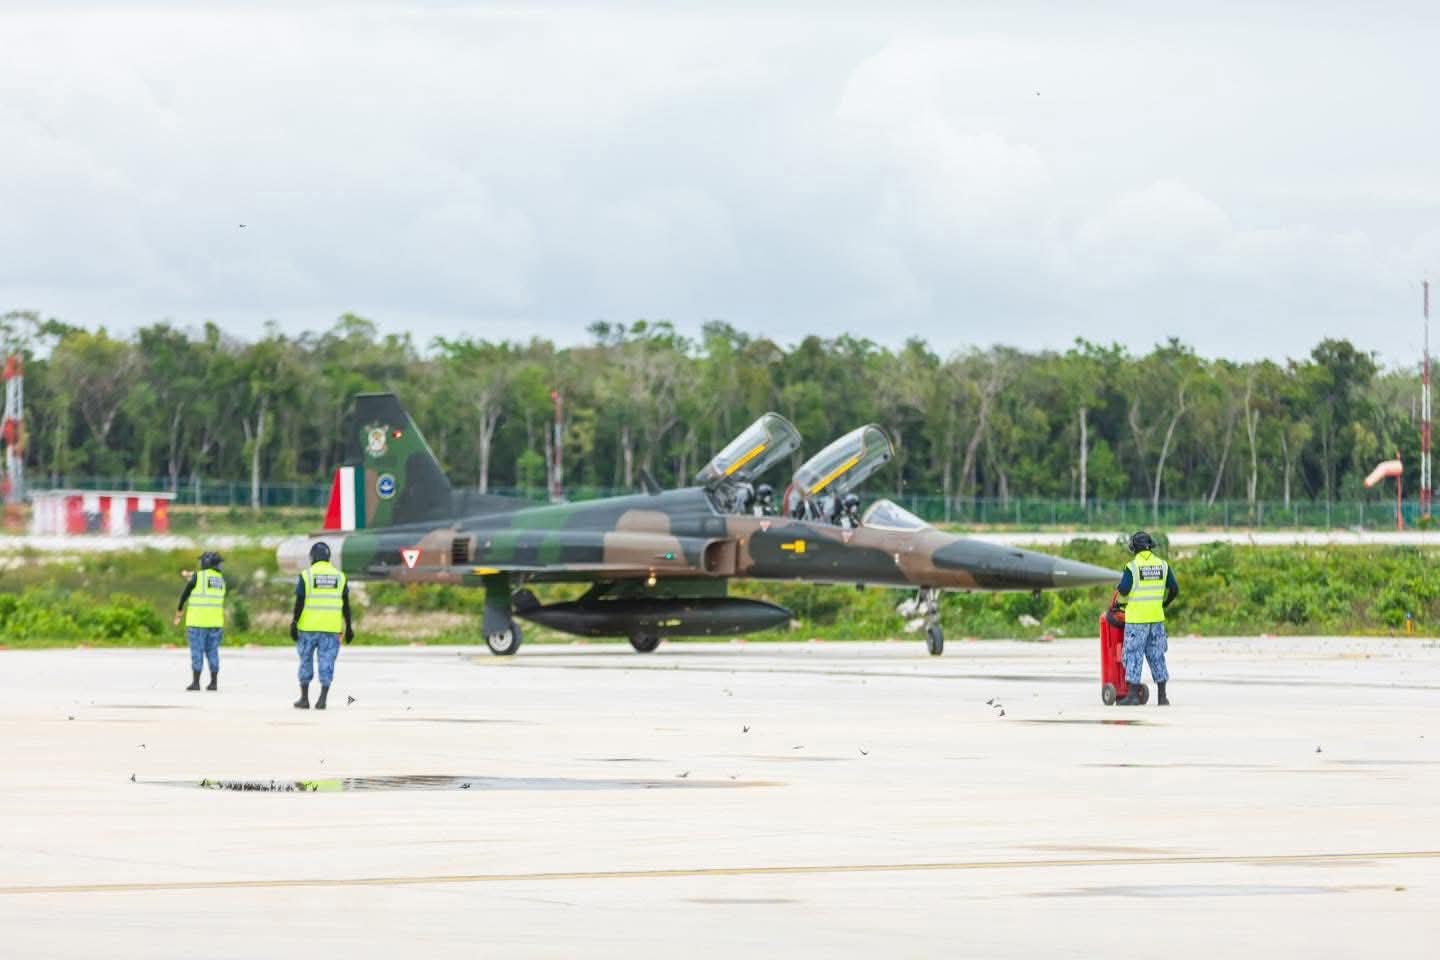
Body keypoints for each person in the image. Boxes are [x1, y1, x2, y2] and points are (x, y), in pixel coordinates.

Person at [1115, 531, 1178, 706]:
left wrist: (1119, 586)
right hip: (1156, 620)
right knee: (1157, 655)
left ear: (1134, 547)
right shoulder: (1163, 565)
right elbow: (1174, 589)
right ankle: (1163, 696)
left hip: (1137, 621)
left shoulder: (1132, 567)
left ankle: (1133, 695)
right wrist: (1164, 604)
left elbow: (1125, 590)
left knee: (1133, 654)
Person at [290, 542, 354, 710]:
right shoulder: (340, 577)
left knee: (305, 661)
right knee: (327, 663)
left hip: (307, 628)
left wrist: (294, 623)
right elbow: (346, 604)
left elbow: (299, 603)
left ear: (312, 557)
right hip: (331, 629)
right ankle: (322, 699)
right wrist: (349, 627)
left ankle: (304, 699)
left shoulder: (306, 575)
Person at [174, 551, 226, 691]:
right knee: (213, 652)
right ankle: (213, 682)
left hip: (198, 622)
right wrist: (189, 575)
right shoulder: (220, 580)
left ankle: (196, 682)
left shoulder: (199, 577)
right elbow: (201, 581)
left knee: (197, 652)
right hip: (215, 623)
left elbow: (186, 593)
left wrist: (179, 610)